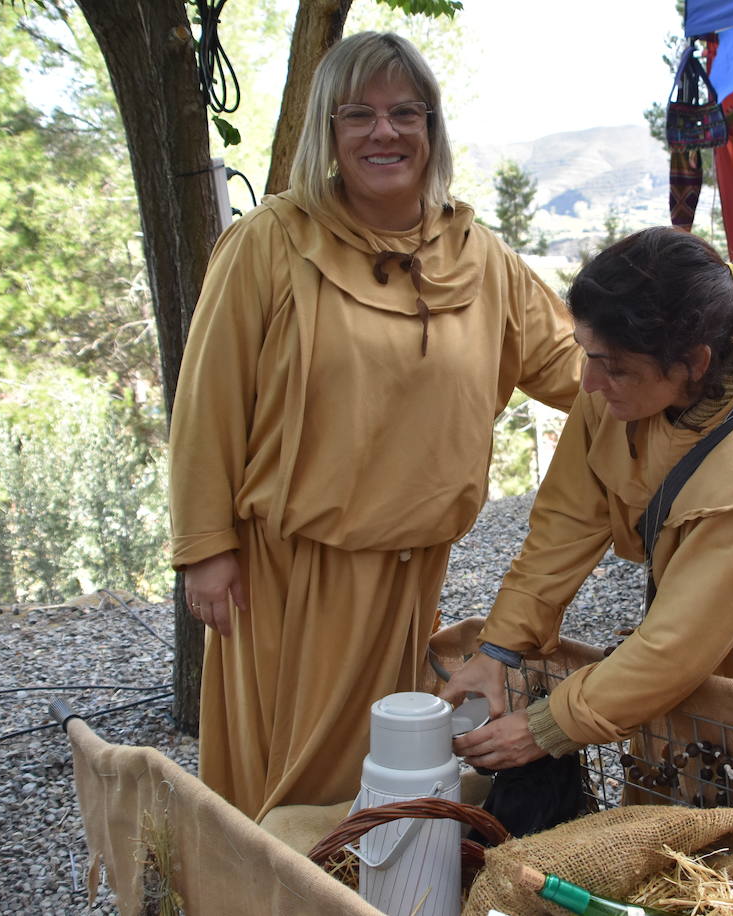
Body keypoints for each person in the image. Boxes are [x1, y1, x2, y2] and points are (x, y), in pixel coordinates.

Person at [169, 32, 583, 820]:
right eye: (357, 114)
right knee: (290, 780)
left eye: (404, 113)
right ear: (327, 131)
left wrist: (705, 366)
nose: (382, 133)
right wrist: (204, 548)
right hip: (288, 572)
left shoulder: (480, 256)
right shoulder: (270, 243)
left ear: (432, 129)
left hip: (413, 569)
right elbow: (207, 400)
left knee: (386, 774)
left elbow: (580, 372)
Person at [440, 227, 733, 773]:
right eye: (585, 354)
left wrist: (549, 726)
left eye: (611, 367)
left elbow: (676, 647)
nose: (587, 382)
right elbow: (564, 526)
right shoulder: (618, 383)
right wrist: (498, 648)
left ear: (695, 362)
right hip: (698, 619)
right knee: (684, 781)